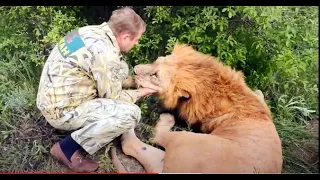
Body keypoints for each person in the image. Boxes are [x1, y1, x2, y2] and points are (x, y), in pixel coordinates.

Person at [36, 7, 156, 172]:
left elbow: (110, 72)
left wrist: (135, 82)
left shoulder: (89, 32)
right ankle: (67, 149)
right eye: (136, 39)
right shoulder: (105, 53)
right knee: (131, 113)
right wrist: (141, 92)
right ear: (125, 36)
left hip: (49, 100)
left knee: (121, 67)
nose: (137, 43)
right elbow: (114, 99)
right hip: (62, 112)